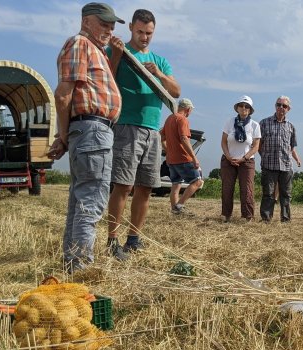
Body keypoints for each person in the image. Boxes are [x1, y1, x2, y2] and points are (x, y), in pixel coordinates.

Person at [49, 2, 124, 273]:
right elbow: (63, 94)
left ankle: (72, 265)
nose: (109, 29)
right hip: (92, 129)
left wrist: (66, 136)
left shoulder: (95, 50)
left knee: (81, 202)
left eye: (112, 25)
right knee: (91, 201)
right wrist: (64, 134)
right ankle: (81, 270)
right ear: (86, 22)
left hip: (92, 130)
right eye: (103, 23)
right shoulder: (80, 44)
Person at [106, 9, 181, 259]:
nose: (145, 37)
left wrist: (158, 75)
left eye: (149, 33)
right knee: (123, 185)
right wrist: (116, 55)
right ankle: (112, 240)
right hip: (127, 125)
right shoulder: (118, 51)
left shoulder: (160, 61)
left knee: (146, 187)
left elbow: (176, 91)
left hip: (152, 130)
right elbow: (107, 80)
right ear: (130, 28)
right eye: (140, 32)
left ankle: (134, 238)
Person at [259, 96, 301, 223]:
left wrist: (297, 159)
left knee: (286, 194)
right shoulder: (264, 123)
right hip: (269, 164)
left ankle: (286, 219)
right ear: (275, 106)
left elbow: (291, 147)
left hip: (286, 165)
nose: (281, 108)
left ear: (289, 109)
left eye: (284, 106)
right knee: (268, 193)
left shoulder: (291, 127)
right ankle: (266, 218)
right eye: (278, 105)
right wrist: (264, 156)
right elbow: (258, 145)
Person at [160, 98, 203, 215]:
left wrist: (168, 151)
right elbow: (184, 138)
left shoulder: (170, 118)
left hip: (171, 159)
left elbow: (161, 137)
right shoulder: (182, 119)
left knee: (176, 184)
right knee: (197, 182)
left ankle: (175, 210)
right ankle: (179, 205)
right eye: (191, 111)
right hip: (183, 158)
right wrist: (194, 158)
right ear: (188, 109)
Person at [221, 95, 260, 223]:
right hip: (229, 160)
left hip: (247, 161)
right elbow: (223, 142)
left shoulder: (255, 125)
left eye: (247, 106)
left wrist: (244, 158)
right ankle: (226, 215)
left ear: (250, 109)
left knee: (247, 189)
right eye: (241, 105)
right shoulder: (229, 122)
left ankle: (248, 217)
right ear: (237, 108)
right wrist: (228, 156)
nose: (244, 108)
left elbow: (255, 146)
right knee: (227, 188)